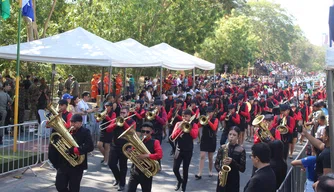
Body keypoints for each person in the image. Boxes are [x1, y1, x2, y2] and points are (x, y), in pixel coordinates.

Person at [55, 114, 94, 192]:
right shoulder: (67, 131)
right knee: (59, 185)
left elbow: (90, 146)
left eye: (74, 122)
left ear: (80, 123)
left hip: (77, 165)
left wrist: (75, 150)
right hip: (64, 163)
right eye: (71, 122)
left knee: (74, 188)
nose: (72, 124)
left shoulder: (85, 132)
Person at [127, 122, 163, 192]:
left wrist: (146, 155)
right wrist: (130, 152)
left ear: (151, 132)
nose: (145, 133)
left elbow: (159, 155)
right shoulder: (138, 141)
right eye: (143, 131)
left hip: (147, 173)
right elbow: (134, 154)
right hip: (135, 171)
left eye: (147, 132)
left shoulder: (155, 142)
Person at [106, 107, 136, 191]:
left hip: (125, 147)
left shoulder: (132, 121)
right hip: (114, 145)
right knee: (111, 164)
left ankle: (122, 184)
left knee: (123, 166)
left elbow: (131, 132)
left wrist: (124, 122)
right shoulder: (116, 120)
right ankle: (118, 179)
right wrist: (116, 123)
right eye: (121, 113)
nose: (122, 114)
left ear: (128, 113)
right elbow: (108, 129)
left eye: (124, 113)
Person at [170, 109, 199, 191]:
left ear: (190, 117)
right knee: (175, 169)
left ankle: (183, 187)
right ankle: (179, 180)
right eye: (183, 116)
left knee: (185, 170)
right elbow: (173, 137)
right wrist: (180, 128)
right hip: (178, 149)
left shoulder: (194, 125)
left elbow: (194, 136)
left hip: (188, 150)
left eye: (186, 116)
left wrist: (188, 128)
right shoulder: (178, 124)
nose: (184, 118)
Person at [215, 126, 246, 192]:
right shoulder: (223, 147)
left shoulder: (241, 150)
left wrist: (233, 161)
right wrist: (220, 171)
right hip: (222, 177)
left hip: (234, 178)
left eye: (234, 135)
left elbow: (242, 169)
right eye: (230, 134)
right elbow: (216, 163)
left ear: (238, 137)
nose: (231, 136)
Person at [47, 99, 73, 168]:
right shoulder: (55, 114)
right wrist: (50, 118)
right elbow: (47, 125)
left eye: (62, 105)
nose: (60, 107)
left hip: (62, 136)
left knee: (60, 154)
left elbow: (68, 126)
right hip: (54, 134)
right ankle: (56, 167)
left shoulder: (69, 114)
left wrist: (60, 118)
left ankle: (59, 168)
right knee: (51, 154)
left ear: (66, 106)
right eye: (59, 105)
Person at [195, 107, 218, 179]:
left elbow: (214, 128)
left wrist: (209, 121)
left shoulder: (215, 119)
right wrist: (199, 120)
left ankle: (210, 171)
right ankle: (200, 173)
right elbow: (198, 126)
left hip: (211, 139)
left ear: (213, 113)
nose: (209, 114)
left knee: (210, 157)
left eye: (210, 112)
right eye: (207, 112)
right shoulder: (203, 119)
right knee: (202, 156)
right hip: (204, 139)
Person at [96, 102, 116, 166]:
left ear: (111, 107)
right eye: (105, 106)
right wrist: (100, 117)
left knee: (107, 146)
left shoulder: (113, 113)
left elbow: (112, 121)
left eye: (107, 106)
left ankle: (106, 160)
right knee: (99, 145)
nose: (106, 107)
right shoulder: (103, 111)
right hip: (103, 129)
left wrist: (107, 117)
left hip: (109, 130)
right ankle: (107, 157)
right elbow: (97, 120)